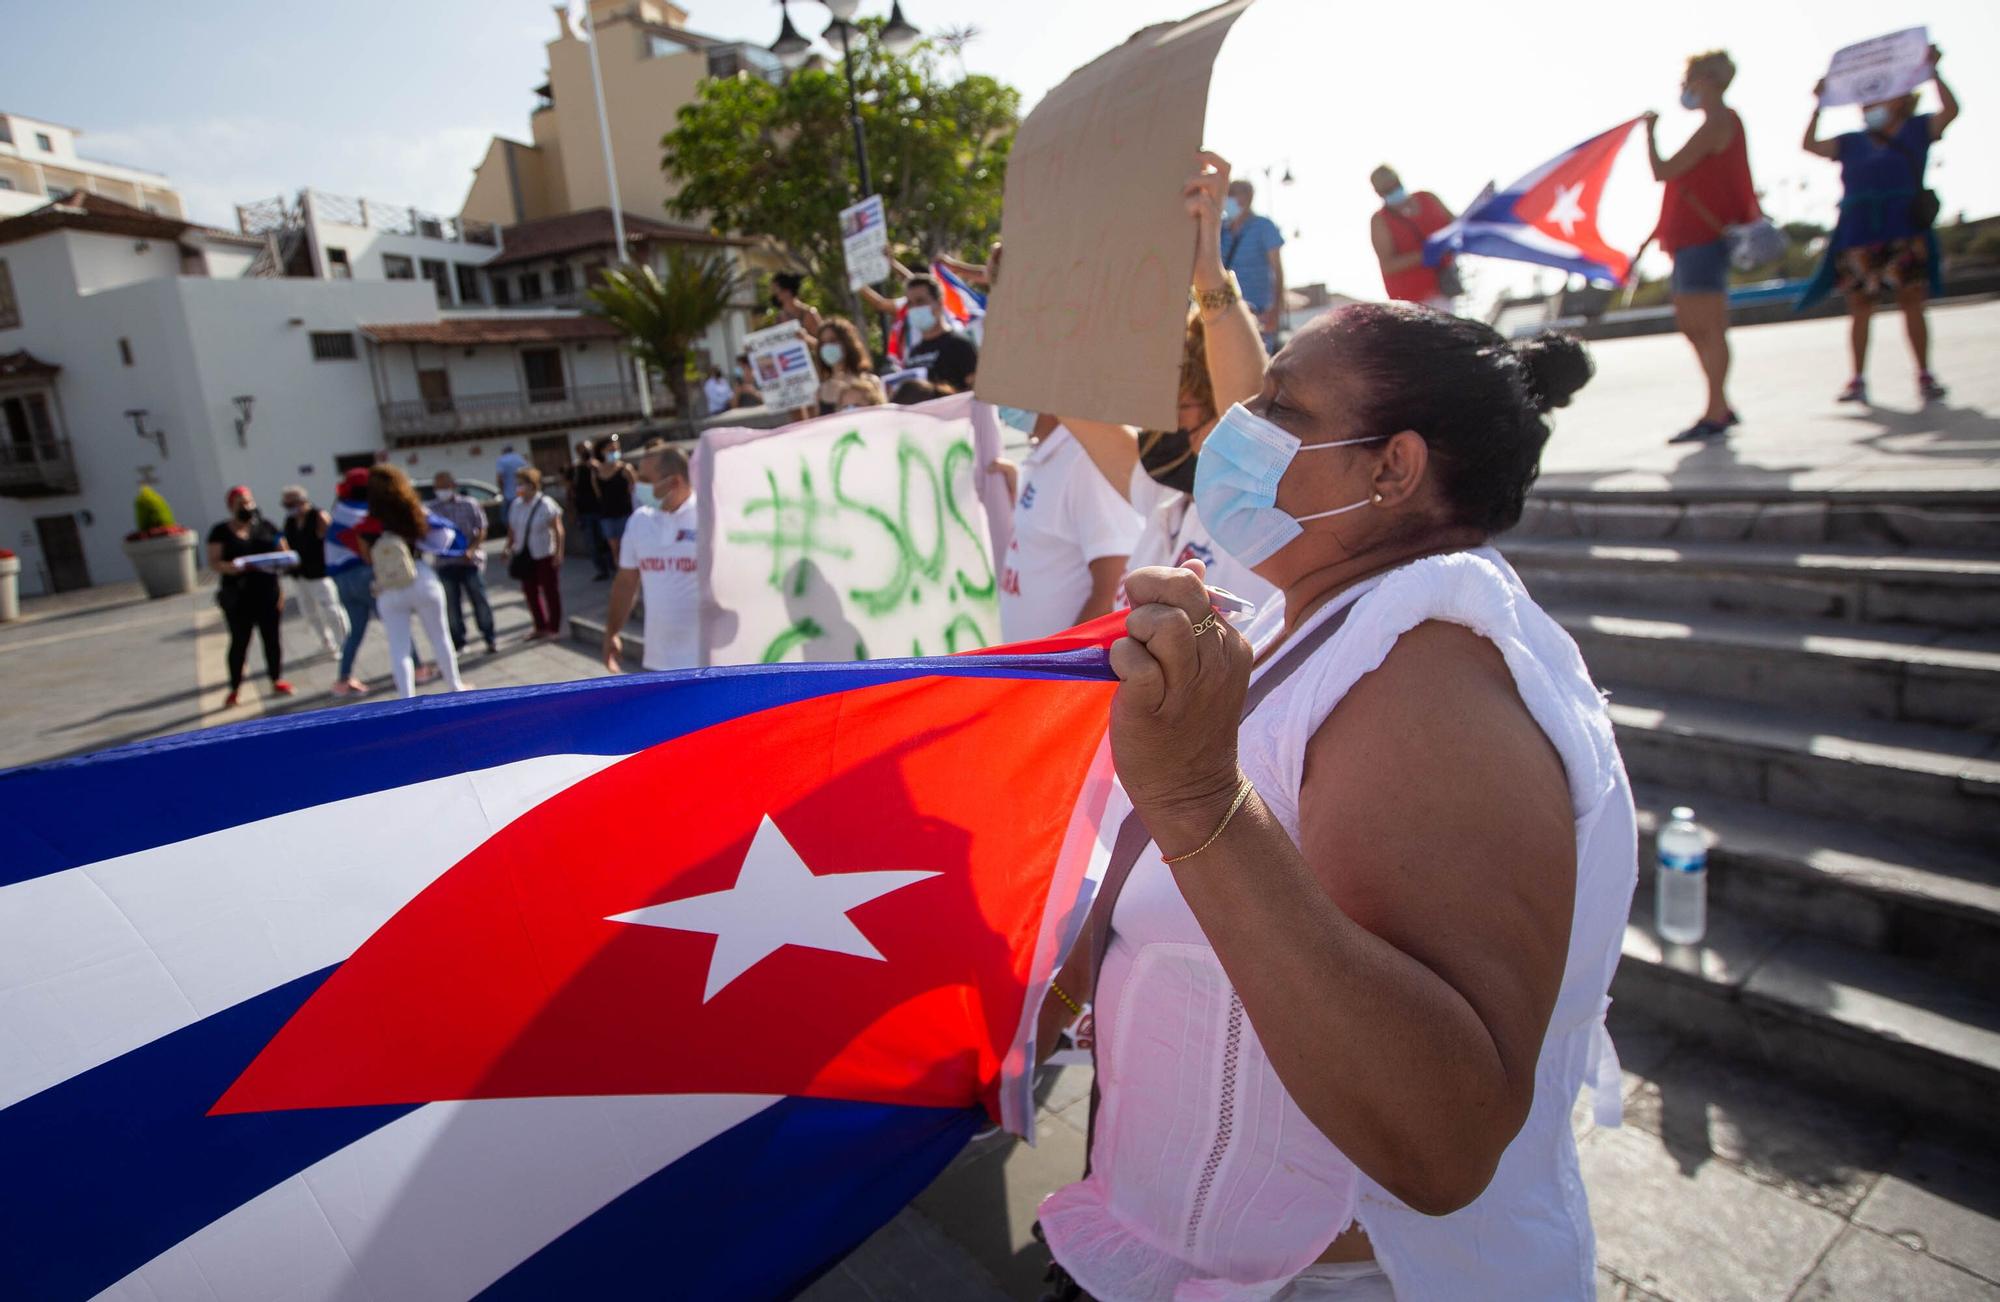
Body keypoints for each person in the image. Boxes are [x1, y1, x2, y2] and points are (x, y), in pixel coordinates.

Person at [1034, 304, 1629, 1301]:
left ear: (1389, 468)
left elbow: (1440, 1139)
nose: (1234, 431)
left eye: (1278, 408)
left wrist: (1192, 796)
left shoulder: (1429, 671)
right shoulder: (1313, 619)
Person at [1064, 152, 1277, 616]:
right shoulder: (1166, 500)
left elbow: (1246, 416)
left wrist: (1207, 275)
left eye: (1177, 405)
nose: (1156, 421)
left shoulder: (1253, 509)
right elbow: (1062, 390)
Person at [1800, 44, 1958, 404]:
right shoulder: (1850, 141)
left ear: (1902, 99)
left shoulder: (1918, 129)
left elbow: (1951, 111)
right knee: (1859, 306)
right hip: (1859, 233)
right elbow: (1809, 144)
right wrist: (1819, 104)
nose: (1868, 105)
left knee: (1912, 300)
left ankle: (1924, 373)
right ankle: (1857, 378)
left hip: (1904, 229)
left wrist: (1934, 72)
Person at [1645, 49, 1759, 444]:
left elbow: (1664, 171)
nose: (1684, 89)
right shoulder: (1721, 123)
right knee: (1696, 327)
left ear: (1706, 81)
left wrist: (1649, 133)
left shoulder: (1717, 124)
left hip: (1701, 240)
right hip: (1691, 240)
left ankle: (1716, 410)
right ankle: (1719, 404)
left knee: (1706, 328)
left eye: (1688, 80)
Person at [996, 408, 1141, 643]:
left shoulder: (1086, 461)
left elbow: (1114, 586)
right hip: (1037, 670)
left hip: (1058, 673)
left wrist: (1062, 665)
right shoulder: (1053, 452)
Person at [366, 465, 468, 698]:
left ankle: (406, 697)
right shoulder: (412, 510)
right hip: (420, 576)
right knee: (440, 637)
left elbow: (364, 555)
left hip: (388, 585)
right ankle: (454, 685)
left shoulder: (367, 521)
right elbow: (442, 536)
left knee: (398, 646)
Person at [602, 444, 700, 673]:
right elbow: (626, 582)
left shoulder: (710, 517)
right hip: (659, 662)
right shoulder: (639, 521)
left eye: (645, 479)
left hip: (711, 663)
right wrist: (611, 632)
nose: (637, 486)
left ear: (674, 482)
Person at [207, 486, 294, 707]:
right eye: (240, 503)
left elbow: (284, 553)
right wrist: (233, 567)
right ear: (231, 506)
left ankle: (276, 679)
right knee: (239, 642)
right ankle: (234, 688)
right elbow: (214, 562)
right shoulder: (220, 531)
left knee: (272, 639)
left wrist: (279, 562)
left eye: (248, 502)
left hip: (267, 592)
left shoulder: (266, 526)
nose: (246, 507)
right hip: (238, 597)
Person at [1368, 167, 1458, 310]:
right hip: (1411, 304)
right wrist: (1424, 255)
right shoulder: (1380, 221)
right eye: (1388, 190)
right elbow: (1388, 265)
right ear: (1379, 193)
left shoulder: (1428, 198)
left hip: (1444, 288)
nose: (1394, 191)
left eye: (1395, 185)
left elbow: (1456, 226)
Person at [429, 470, 497, 656]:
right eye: (438, 487)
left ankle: (489, 637)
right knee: (451, 606)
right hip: (445, 564)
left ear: (453, 486)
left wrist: (472, 549)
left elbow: (482, 528)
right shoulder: (431, 509)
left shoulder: (469, 504)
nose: (441, 490)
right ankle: (459, 642)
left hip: (469, 561)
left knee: (480, 599)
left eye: (444, 486)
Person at [325, 468, 379, 696]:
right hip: (360, 574)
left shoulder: (339, 509)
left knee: (355, 631)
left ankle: (343, 679)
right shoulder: (359, 512)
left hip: (340, 579)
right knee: (396, 622)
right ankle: (418, 668)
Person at [279, 484, 346, 658]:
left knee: (331, 609)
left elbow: (333, 540)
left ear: (302, 501)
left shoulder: (318, 516)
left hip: (319, 572)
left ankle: (344, 642)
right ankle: (327, 642)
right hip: (299, 573)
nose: (290, 509)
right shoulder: (290, 521)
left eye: (291, 504)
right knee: (309, 612)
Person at [1222, 178, 1286, 350]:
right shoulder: (1220, 230)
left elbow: (1278, 271)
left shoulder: (1264, 226)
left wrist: (1275, 309)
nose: (1228, 198)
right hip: (1226, 313)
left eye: (1233, 193)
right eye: (1227, 193)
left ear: (1248, 197)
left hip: (1259, 314)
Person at [506, 467, 565, 640]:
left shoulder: (546, 503)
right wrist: (507, 548)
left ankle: (554, 627)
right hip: (525, 555)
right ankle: (539, 626)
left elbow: (558, 530)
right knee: (530, 592)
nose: (518, 488)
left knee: (550, 591)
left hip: (544, 553)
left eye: (521, 484)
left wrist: (558, 552)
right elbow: (512, 529)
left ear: (532, 485)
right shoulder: (516, 505)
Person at [901, 274, 979, 391]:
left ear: (939, 303)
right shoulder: (913, 352)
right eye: (910, 303)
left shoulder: (960, 345)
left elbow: (977, 392)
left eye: (920, 301)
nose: (915, 308)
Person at [592, 432, 638, 570]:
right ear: (602, 451)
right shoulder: (596, 472)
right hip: (607, 515)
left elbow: (635, 491)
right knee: (615, 548)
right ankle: (621, 572)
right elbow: (598, 494)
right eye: (611, 449)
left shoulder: (625, 469)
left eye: (616, 449)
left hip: (626, 513)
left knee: (629, 545)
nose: (614, 452)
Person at [815, 316, 874, 415]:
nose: (827, 347)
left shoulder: (870, 382)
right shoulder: (820, 393)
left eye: (833, 340)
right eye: (823, 343)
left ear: (847, 342)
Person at [570, 440, 611, 580]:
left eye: (587, 450)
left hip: (600, 510)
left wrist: (596, 467)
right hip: (585, 511)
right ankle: (601, 569)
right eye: (582, 451)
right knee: (592, 544)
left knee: (607, 541)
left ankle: (612, 565)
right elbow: (571, 489)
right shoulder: (576, 468)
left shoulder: (598, 465)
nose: (585, 453)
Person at [771, 271, 823, 339]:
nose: (773, 294)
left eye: (775, 290)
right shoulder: (779, 318)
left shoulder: (809, 313)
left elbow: (823, 343)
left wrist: (806, 338)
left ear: (787, 291)